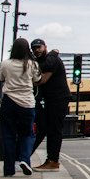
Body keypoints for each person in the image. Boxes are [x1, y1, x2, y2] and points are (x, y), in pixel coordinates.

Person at [0, 37, 40, 177]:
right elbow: (37, 80)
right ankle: (24, 160)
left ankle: (9, 169)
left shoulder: (5, 64)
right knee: (27, 134)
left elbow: (1, 78)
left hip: (9, 102)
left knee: (8, 136)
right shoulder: (32, 65)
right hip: (27, 104)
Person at [31, 38, 69, 170]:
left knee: (54, 130)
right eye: (34, 48)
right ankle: (27, 157)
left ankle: (53, 161)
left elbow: (42, 80)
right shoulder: (44, 60)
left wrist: (53, 53)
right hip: (50, 100)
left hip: (58, 99)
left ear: (45, 47)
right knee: (46, 128)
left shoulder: (52, 60)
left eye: (39, 47)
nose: (36, 50)